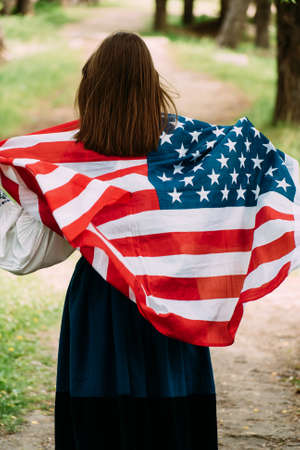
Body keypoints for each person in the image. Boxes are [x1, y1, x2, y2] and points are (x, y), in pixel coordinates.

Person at [0, 32, 218, 449]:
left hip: (101, 310)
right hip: (174, 307)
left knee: (100, 429)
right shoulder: (191, 155)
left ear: (91, 88)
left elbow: (26, 252)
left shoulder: (73, 165)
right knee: (172, 427)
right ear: (152, 86)